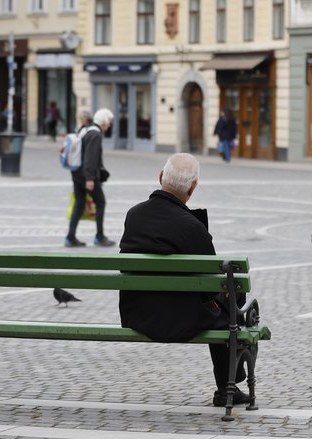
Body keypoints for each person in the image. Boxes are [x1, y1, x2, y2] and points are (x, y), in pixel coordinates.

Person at [118, 153, 252, 407]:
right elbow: (212, 281)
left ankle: (229, 385)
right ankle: (228, 387)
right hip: (178, 319)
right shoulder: (191, 227)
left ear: (160, 177)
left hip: (137, 313)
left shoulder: (133, 215)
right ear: (192, 188)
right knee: (230, 297)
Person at [64, 108, 115, 247]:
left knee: (79, 203)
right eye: (109, 122)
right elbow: (90, 158)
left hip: (76, 172)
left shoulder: (85, 129)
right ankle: (99, 236)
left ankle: (70, 237)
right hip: (86, 175)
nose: (109, 125)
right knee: (101, 202)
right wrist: (90, 179)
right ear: (103, 121)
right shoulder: (95, 134)